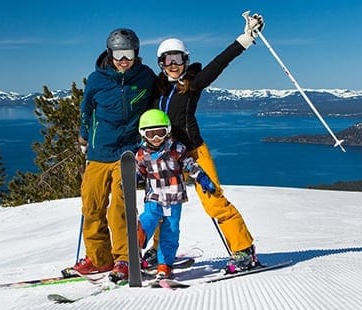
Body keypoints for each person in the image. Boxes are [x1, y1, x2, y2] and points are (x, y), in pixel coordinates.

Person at [143, 11, 265, 273]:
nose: (173, 64)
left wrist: (245, 39)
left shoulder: (193, 83)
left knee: (213, 200)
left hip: (194, 152)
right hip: (166, 157)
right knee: (163, 205)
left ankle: (244, 250)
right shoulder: (157, 88)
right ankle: (159, 251)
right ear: (161, 63)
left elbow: (219, 63)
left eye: (178, 59)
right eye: (168, 60)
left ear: (186, 61)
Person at [70, 28, 156, 282]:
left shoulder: (146, 77)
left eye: (128, 54)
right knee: (92, 205)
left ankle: (125, 259)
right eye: (118, 54)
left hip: (128, 153)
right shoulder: (97, 79)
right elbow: (86, 110)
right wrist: (84, 138)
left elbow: (156, 107)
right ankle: (98, 259)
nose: (123, 60)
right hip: (98, 152)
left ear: (136, 54)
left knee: (121, 205)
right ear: (110, 54)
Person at [133, 109, 216, 279]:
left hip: (174, 198)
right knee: (149, 216)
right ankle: (140, 234)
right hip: (154, 197)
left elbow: (189, 164)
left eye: (160, 133)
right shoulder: (141, 155)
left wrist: (201, 177)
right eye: (151, 134)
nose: (156, 138)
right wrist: (132, 179)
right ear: (143, 134)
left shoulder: (177, 149)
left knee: (170, 232)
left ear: (168, 131)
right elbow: (139, 172)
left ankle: (165, 264)